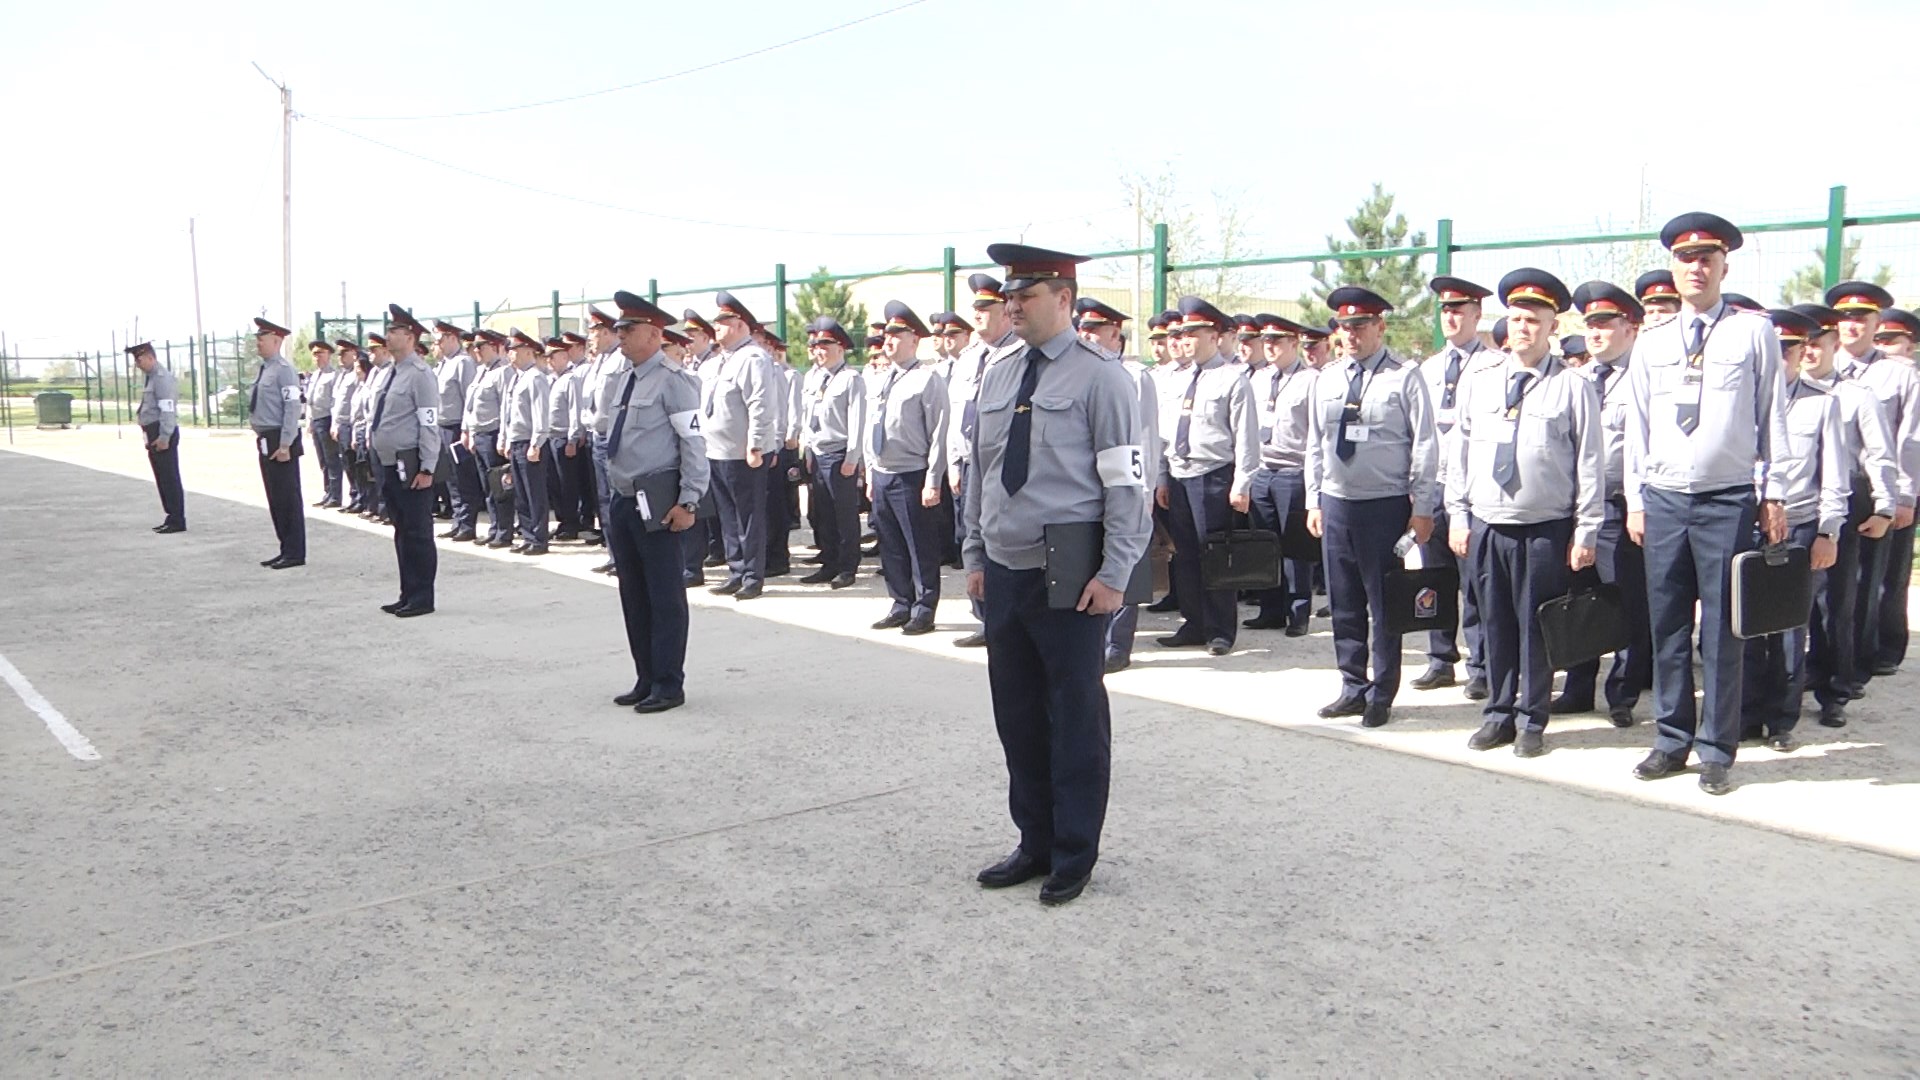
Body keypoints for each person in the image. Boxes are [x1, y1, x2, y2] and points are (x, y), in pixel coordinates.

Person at [964, 243, 1148, 906]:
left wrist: (1118, 571)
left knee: (1073, 717)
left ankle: (1074, 852)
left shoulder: (1103, 377)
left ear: (1065, 299)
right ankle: (1033, 841)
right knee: (1017, 716)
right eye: (1009, 294)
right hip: (1008, 569)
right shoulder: (999, 372)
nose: (1012, 305)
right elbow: (981, 472)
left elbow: (1126, 481)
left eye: (1028, 293)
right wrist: (974, 554)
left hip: (1070, 571)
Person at [1624, 212, 1789, 796]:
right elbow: (1636, 427)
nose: (1696, 267)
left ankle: (1717, 748)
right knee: (1667, 625)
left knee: (1722, 630)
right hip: (1665, 499)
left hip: (1727, 500)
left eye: (1707, 258)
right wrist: (1636, 501)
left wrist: (1774, 494)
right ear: (1672, 267)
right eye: (1685, 259)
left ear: (1724, 265)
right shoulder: (1653, 341)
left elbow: (1772, 416)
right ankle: (1670, 739)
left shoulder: (1753, 333)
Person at [1446, 269, 1602, 758]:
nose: (1522, 328)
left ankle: (1532, 718)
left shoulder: (1573, 387)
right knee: (1494, 626)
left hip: (1544, 529)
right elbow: (1461, 451)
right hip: (1490, 524)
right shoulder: (1481, 380)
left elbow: (1590, 463)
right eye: (1515, 318)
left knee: (1535, 627)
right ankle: (1497, 714)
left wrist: (1587, 530)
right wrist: (1457, 513)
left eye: (1533, 320)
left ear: (1552, 327)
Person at [1305, 287, 1439, 727]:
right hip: (1337, 503)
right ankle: (1352, 685)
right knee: (1343, 602)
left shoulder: (1405, 376)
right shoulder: (1327, 377)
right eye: (1345, 328)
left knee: (1385, 604)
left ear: (1380, 327)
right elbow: (1316, 444)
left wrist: (1423, 506)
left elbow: (1424, 444)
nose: (1351, 335)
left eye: (1360, 326)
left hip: (1384, 507)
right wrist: (1314, 499)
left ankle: (1382, 691)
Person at [1741, 308, 1848, 749]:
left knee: (1788, 630)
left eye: (1787, 351)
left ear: (1801, 353)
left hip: (1799, 527)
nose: (1780, 359)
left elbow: (1835, 476)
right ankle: (1745, 714)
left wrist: (1829, 532)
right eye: (1773, 351)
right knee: (1744, 627)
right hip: (1743, 526)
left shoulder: (1822, 403)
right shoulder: (1738, 400)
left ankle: (1781, 720)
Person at [600, 291, 709, 714]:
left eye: (627, 329)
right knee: (634, 595)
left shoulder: (674, 380)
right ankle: (645, 676)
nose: (620, 336)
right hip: (625, 499)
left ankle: (668, 683)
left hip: (661, 504)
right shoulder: (624, 378)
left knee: (664, 596)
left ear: (653, 332)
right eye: (619, 329)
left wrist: (690, 502)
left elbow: (693, 445)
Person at [1553, 281, 1653, 725]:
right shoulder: (1573, 380)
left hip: (1618, 507)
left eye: (1605, 324)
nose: (1594, 333)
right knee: (1579, 599)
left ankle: (1623, 693)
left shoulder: (1646, 378)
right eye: (1589, 324)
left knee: (1625, 600)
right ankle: (1577, 688)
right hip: (1574, 508)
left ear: (1631, 328)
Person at [1796, 303, 1896, 729]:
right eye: (1803, 346)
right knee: (1791, 600)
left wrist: (1886, 505)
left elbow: (1880, 454)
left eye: (1817, 344)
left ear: (1835, 344)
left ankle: (1835, 689)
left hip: (1845, 503)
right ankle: (1799, 673)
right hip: (1795, 502)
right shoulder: (1782, 394)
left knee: (1836, 603)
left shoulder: (1856, 396)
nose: (1809, 353)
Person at [1827, 281, 1920, 683]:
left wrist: (1902, 496)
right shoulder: (1820, 370)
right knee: (1825, 586)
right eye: (1844, 319)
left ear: (1876, 322)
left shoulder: (1898, 375)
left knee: (1869, 583)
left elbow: (1910, 439)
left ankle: (1860, 664)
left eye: (1861, 318)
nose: (1852, 326)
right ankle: (1825, 660)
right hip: (1827, 493)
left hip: (1873, 492)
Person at [1156, 296, 1258, 657]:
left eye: (1194, 333)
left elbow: (1245, 437)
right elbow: (1164, 433)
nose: (1185, 340)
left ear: (1214, 336)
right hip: (1180, 474)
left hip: (1214, 475)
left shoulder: (1232, 379)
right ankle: (1193, 621)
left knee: (1216, 554)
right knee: (1184, 555)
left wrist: (1242, 483)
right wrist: (1162, 478)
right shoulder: (1175, 379)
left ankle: (1220, 629)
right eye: (1182, 333)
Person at [1413, 275, 1494, 696]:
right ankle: (1440, 658)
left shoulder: (1492, 366)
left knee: (1475, 584)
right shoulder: (1427, 369)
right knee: (1434, 578)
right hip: (1435, 489)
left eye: (1459, 309)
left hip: (1474, 495)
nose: (1451, 317)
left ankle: (1481, 665)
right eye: (1445, 310)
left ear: (1477, 314)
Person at [1075, 298, 1161, 673]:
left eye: (1097, 331)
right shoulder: (1080, 372)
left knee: (1126, 564)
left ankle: (1119, 645)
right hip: (1092, 490)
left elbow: (1145, 438)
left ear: (1117, 336)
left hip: (1130, 484)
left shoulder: (1133, 375)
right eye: (1084, 329)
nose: (1087, 336)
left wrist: (1144, 491)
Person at [866, 301, 950, 635]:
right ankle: (901, 602)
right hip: (883, 474)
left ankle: (924, 608)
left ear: (915, 340)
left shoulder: (927, 379)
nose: (888, 341)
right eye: (887, 335)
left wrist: (933, 480)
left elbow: (939, 433)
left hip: (912, 474)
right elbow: (872, 425)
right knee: (891, 546)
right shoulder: (881, 379)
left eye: (897, 335)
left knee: (920, 547)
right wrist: (871, 472)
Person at [946, 274, 1021, 647]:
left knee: (999, 540)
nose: (978, 315)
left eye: (986, 308)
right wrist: (950, 463)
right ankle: (985, 619)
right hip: (967, 462)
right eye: (975, 308)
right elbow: (954, 416)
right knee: (971, 539)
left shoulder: (1016, 355)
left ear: (1006, 312)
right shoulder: (968, 360)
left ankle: (1003, 622)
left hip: (1001, 463)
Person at [1242, 314, 1318, 636]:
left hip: (1292, 470)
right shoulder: (1258, 379)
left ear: (1294, 343)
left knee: (1294, 547)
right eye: (1267, 341)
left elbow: (1316, 431)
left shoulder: (1311, 380)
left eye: (1278, 341)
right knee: (1265, 544)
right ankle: (1270, 608)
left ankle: (1298, 612)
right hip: (1262, 470)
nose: (1270, 346)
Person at [702, 292, 778, 601]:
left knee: (748, 516)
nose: (716, 328)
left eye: (722, 322)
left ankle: (751, 576)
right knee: (728, 516)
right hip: (716, 450)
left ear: (739, 324)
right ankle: (736, 570)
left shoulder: (753, 358)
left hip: (742, 453)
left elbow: (760, 403)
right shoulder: (719, 360)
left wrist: (756, 444)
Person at [369, 306, 445, 617]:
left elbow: (429, 424)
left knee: (417, 531)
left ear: (410, 336)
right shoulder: (390, 373)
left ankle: (422, 597)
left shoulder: (420, 375)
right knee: (401, 530)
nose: (388, 336)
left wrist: (428, 467)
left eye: (393, 331)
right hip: (389, 463)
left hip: (411, 465)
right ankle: (407, 592)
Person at [799, 318, 867, 589]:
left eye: (825, 344)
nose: (819, 350)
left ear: (840, 347)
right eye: (816, 345)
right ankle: (829, 562)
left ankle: (848, 566)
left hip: (839, 455)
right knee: (823, 513)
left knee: (845, 514)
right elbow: (808, 415)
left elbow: (857, 420)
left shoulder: (851, 379)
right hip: (817, 452)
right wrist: (807, 448)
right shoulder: (814, 377)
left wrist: (852, 458)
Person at [248, 317, 306, 569]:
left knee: (287, 497)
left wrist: (285, 444)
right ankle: (285, 547)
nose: (258, 343)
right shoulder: (266, 368)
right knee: (275, 497)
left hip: (280, 439)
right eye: (258, 339)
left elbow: (293, 408)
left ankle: (294, 551)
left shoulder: (283, 370)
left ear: (276, 341)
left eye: (262, 339)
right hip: (266, 439)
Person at [502, 330, 553, 556]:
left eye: (514, 350)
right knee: (521, 492)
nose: (510, 354)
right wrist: (505, 439)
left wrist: (537, 442)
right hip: (516, 441)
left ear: (527, 351)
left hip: (530, 442)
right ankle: (527, 535)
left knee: (535, 493)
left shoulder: (535, 377)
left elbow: (540, 413)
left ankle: (539, 539)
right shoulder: (516, 377)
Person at [431, 320, 482, 543]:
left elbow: (468, 399)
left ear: (452, 338)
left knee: (463, 477)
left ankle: (468, 523)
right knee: (450, 478)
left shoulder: (463, 363)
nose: (437, 344)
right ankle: (457, 520)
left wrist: (466, 429)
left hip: (457, 427)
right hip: (442, 426)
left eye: (440, 340)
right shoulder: (444, 364)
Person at [465, 329, 515, 548]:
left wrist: (503, 437)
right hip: (480, 434)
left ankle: (504, 531)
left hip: (494, 433)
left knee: (500, 486)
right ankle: (495, 527)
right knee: (488, 487)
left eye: (481, 346)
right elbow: (470, 406)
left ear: (494, 347)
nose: (476, 350)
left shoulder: (502, 372)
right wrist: (469, 432)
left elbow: (506, 408)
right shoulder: (480, 372)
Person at [129, 342, 186, 533]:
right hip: (153, 432)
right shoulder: (151, 377)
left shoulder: (161, 378)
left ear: (151, 357)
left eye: (139, 359)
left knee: (169, 477)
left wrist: (164, 437)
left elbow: (168, 409)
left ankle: (177, 519)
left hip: (161, 432)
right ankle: (170, 516)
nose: (137, 363)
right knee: (162, 477)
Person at [544, 338, 583, 541]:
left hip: (563, 437)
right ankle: (562, 521)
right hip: (550, 437)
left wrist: (572, 439)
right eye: (547, 357)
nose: (549, 360)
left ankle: (571, 523)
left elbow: (575, 410)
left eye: (553, 356)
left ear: (564, 356)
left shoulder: (571, 380)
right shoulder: (551, 379)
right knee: (554, 484)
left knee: (567, 484)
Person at [305, 340, 344, 509]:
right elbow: (310, 401)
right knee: (322, 460)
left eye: (321, 353)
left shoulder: (333, 376)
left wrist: (334, 424)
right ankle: (327, 492)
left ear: (329, 355)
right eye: (315, 353)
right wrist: (309, 421)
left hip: (327, 419)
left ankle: (335, 495)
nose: (317, 357)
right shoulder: (314, 375)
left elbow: (335, 401)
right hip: (316, 419)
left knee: (332, 459)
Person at [332, 342, 365, 514]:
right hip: (341, 423)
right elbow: (337, 403)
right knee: (347, 463)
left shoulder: (357, 375)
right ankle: (354, 496)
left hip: (352, 424)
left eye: (343, 353)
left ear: (353, 353)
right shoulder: (342, 375)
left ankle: (360, 497)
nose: (340, 357)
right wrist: (334, 424)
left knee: (355, 464)